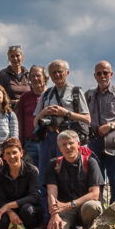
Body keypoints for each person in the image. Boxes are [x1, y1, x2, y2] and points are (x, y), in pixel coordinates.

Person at [34, 60, 90, 196]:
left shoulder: (76, 92)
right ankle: (48, 213)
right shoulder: (46, 94)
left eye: (60, 71)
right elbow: (35, 122)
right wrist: (45, 112)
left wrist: (65, 113)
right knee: (45, 178)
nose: (57, 74)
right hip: (49, 138)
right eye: (53, 72)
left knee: (67, 177)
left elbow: (87, 119)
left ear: (67, 73)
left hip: (68, 139)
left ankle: (68, 210)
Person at [44, 130, 103, 229]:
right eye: (63, 144)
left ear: (78, 144)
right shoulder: (53, 164)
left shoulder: (90, 162)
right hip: (64, 210)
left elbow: (95, 194)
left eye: (71, 143)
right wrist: (54, 214)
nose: (68, 147)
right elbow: (51, 192)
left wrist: (70, 205)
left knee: (92, 207)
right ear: (59, 148)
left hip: (83, 207)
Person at [86, 61, 115, 202]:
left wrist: (110, 126)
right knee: (95, 181)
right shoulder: (88, 94)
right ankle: (97, 212)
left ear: (111, 74)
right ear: (95, 76)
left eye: (105, 72)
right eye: (99, 73)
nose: (102, 76)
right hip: (94, 140)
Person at [0, 137, 42, 229]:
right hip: (8, 210)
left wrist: (9, 205)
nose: (11, 156)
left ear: (21, 153)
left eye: (14, 152)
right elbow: (0, 199)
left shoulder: (32, 171)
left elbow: (34, 196)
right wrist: (10, 211)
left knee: (27, 210)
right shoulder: (0, 174)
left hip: (28, 209)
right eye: (7, 154)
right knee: (0, 215)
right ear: (3, 156)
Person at [17, 66, 47, 167]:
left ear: (45, 78)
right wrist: (20, 144)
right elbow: (20, 122)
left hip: (48, 143)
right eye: (32, 76)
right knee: (31, 175)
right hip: (30, 144)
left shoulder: (51, 94)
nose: (35, 78)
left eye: (38, 75)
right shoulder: (25, 97)